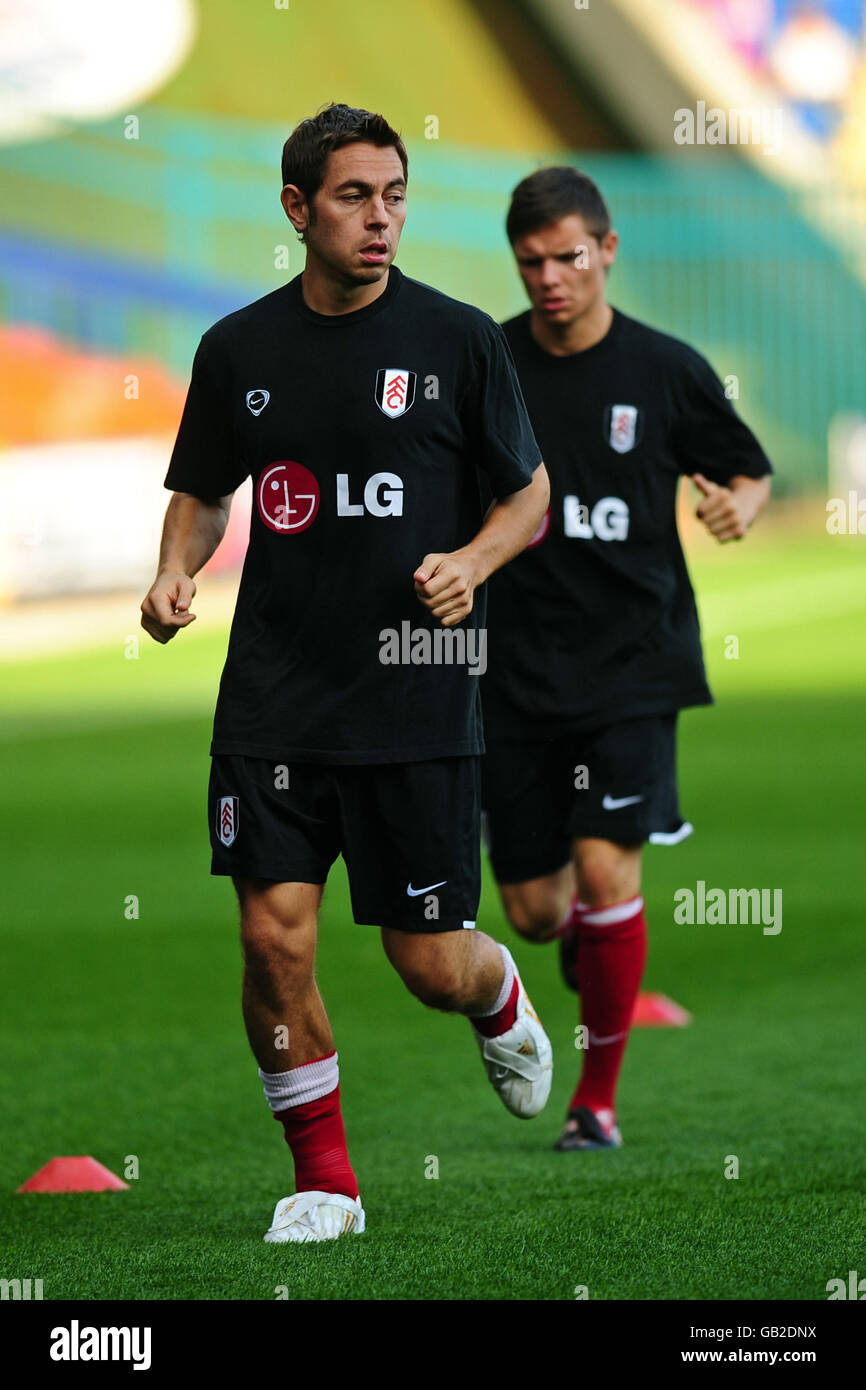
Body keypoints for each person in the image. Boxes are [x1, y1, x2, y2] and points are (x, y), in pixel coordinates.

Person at [140, 105, 552, 1243]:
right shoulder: (238, 350)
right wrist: (174, 570)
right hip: (272, 693)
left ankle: (498, 993)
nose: (381, 219)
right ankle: (323, 1179)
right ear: (295, 209)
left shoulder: (461, 340)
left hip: (418, 686)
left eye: (394, 195)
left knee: (426, 964)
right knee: (272, 937)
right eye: (354, 197)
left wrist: (471, 560)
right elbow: (205, 486)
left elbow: (528, 494)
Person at [480, 166, 772, 1152]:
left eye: (568, 256)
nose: (550, 277)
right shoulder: (491, 364)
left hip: (631, 661)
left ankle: (592, 1103)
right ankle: (579, 947)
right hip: (512, 667)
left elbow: (745, 464)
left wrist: (737, 502)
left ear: (605, 251)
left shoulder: (664, 368)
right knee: (530, 912)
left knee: (608, 872)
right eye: (531, 262)